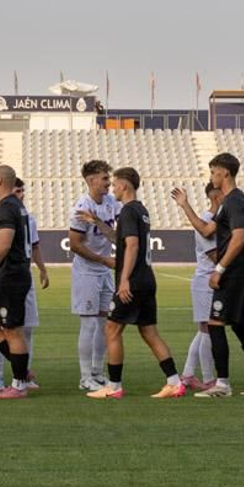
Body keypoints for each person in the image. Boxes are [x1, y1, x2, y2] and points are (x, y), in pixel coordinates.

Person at [174, 153, 244, 397]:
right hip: (238, 270)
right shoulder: (230, 202)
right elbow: (207, 229)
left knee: (215, 323)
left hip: (234, 272)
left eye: (213, 172)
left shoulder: (235, 201)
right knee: (240, 325)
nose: (211, 177)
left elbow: (238, 239)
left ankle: (222, 384)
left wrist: (219, 269)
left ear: (225, 173)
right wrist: (185, 205)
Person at [86, 167, 186, 399]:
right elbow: (119, 239)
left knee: (112, 328)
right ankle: (174, 382)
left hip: (134, 281)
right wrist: (97, 221)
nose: (112, 189)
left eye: (115, 185)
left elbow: (131, 245)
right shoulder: (140, 211)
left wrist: (123, 280)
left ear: (125, 186)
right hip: (147, 280)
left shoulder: (129, 211)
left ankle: (114, 386)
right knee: (149, 331)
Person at [0, 178, 48, 389]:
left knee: (13, 330)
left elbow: (3, 244)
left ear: (0, 182)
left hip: (11, 276)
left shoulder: (8, 208)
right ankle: (22, 371)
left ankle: (18, 384)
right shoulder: (15, 208)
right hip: (7, 276)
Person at [68, 159, 120, 390]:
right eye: (105, 178)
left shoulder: (110, 202)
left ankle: (98, 372)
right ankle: (84, 377)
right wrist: (103, 259)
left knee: (103, 323)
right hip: (87, 273)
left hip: (104, 272)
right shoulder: (81, 207)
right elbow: (75, 245)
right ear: (91, 181)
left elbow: (116, 235)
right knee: (89, 324)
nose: (109, 183)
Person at [171, 181, 221, 389]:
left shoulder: (213, 220)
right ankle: (209, 379)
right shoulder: (205, 221)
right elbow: (214, 255)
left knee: (203, 330)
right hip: (206, 281)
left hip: (209, 280)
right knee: (209, 329)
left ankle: (189, 374)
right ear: (217, 196)